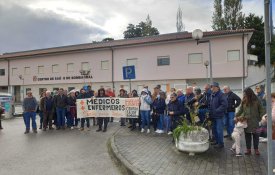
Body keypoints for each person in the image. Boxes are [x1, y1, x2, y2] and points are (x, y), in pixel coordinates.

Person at [236, 87, 264, 155]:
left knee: (256, 135)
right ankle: (248, 150)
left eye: (245, 93)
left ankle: (256, 149)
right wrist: (236, 116)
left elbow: (261, 109)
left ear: (249, 93)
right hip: (246, 121)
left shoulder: (257, 99)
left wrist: (260, 118)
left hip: (255, 121)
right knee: (247, 136)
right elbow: (240, 109)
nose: (244, 94)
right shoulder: (244, 100)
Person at [209, 82, 228, 148]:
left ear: (217, 87)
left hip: (219, 116)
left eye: (214, 87)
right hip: (213, 116)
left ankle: (221, 143)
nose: (212, 88)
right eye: (212, 87)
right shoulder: (212, 94)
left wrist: (216, 110)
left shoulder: (221, 94)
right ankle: (217, 141)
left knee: (219, 130)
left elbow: (224, 105)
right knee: (214, 130)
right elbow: (211, 105)